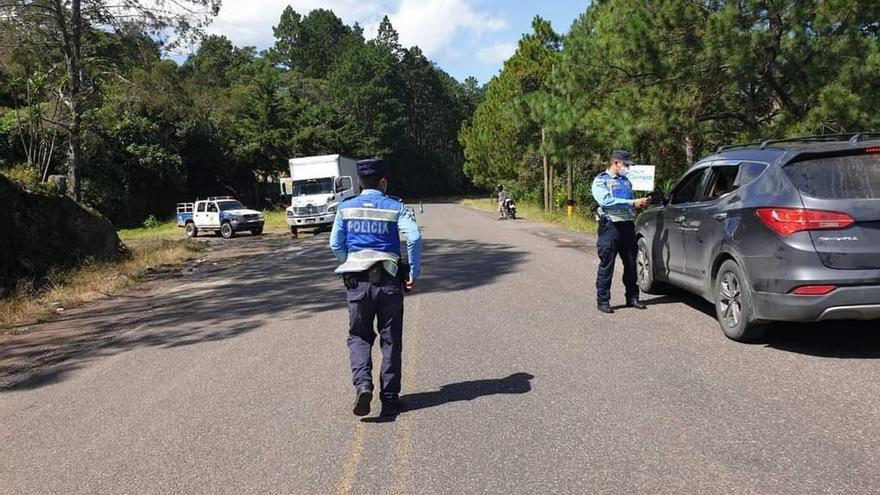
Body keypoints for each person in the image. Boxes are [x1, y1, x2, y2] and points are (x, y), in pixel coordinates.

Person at [329, 159, 422, 417]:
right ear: (383, 181)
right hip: (389, 281)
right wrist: (413, 272)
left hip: (357, 283)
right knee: (391, 340)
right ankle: (390, 398)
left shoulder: (345, 207)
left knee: (359, 336)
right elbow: (413, 237)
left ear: (359, 182)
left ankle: (363, 385)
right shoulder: (395, 206)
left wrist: (349, 261)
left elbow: (335, 244)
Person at [591, 150, 651, 314]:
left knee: (631, 265)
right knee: (607, 266)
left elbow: (630, 204)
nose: (628, 168)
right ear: (616, 163)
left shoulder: (626, 182)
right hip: (610, 228)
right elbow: (606, 201)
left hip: (627, 227)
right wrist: (632, 202)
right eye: (625, 164)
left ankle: (632, 297)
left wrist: (641, 203)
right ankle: (603, 300)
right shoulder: (601, 180)